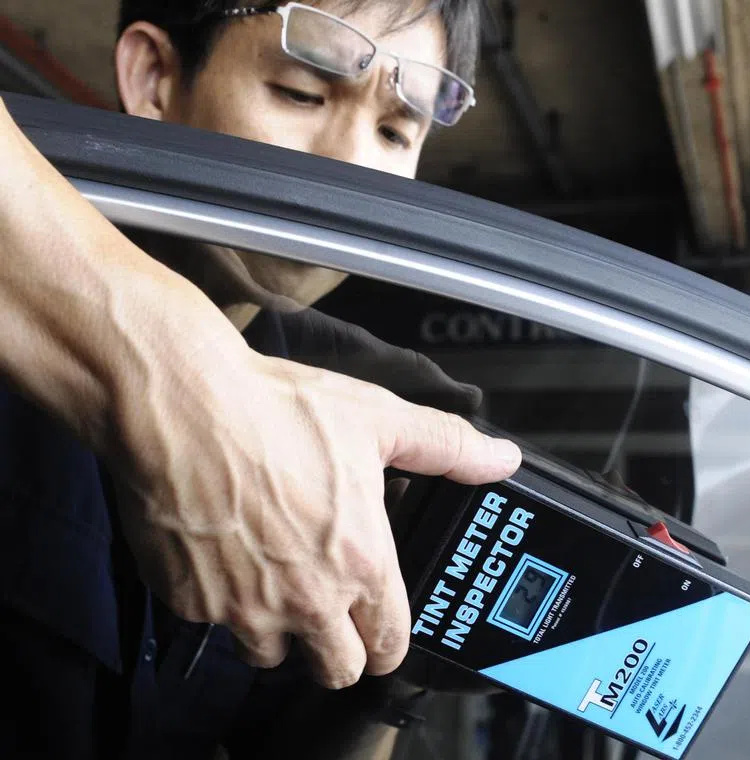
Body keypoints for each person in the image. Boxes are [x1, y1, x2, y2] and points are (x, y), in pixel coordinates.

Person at [0, 0, 517, 757]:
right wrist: (168, 377)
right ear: (154, 76)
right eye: (302, 93)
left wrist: (389, 668)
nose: (352, 163)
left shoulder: (358, 446)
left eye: (395, 131)